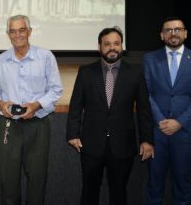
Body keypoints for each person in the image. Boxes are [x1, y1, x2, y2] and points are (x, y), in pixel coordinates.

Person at [66, 27, 154, 205]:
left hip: (123, 145)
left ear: (121, 46)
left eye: (116, 43)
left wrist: (147, 140)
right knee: (89, 192)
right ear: (100, 47)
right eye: (107, 44)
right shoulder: (86, 72)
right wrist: (72, 134)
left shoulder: (135, 73)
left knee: (119, 192)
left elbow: (144, 109)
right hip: (91, 145)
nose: (112, 48)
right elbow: (76, 105)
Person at [0, 14, 63, 205]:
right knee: (8, 181)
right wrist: (1, 104)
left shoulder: (46, 57)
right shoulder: (0, 61)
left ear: (29, 31)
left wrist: (36, 105)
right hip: (8, 127)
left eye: (21, 30)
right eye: (12, 31)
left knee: (37, 180)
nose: (17, 35)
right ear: (8, 34)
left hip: (38, 125)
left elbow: (56, 90)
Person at [143, 17, 191, 205]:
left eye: (178, 29)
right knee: (154, 185)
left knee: (184, 186)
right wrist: (161, 120)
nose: (174, 33)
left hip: (185, 133)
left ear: (185, 33)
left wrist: (180, 122)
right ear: (162, 35)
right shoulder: (149, 59)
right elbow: (145, 93)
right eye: (169, 30)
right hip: (157, 133)